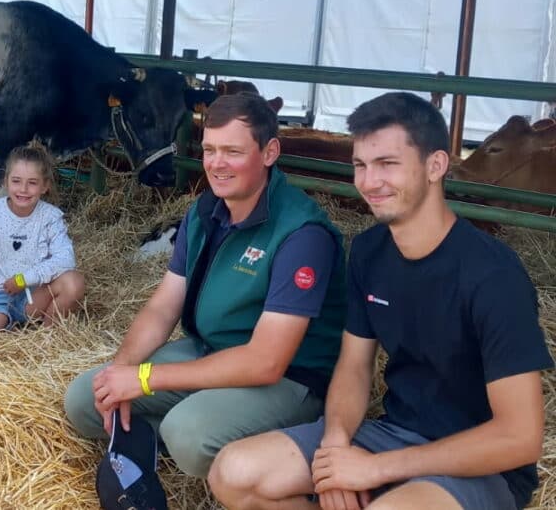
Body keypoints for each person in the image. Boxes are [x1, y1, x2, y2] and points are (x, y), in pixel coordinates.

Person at [209, 92, 553, 510]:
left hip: (479, 464)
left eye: (387, 164)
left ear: (436, 166)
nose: (369, 182)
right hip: (394, 434)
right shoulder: (369, 251)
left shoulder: (493, 274)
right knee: (233, 473)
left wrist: (376, 469)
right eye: (360, 165)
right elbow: (354, 366)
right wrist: (335, 450)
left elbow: (519, 437)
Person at [64, 92, 348, 478]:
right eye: (209, 150)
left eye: (233, 151)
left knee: (188, 435)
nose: (216, 164)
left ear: (270, 152)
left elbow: (266, 362)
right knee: (86, 398)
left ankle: (276, 441)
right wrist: (122, 372)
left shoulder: (301, 234)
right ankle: (166, 431)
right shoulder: (205, 211)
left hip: (287, 379)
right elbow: (163, 307)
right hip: (208, 351)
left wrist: (145, 379)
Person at [0, 144, 86, 334]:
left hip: (32, 296)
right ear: (5, 181)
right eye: (16, 181)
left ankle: (47, 338)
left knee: (73, 283)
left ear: (45, 186)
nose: (23, 189)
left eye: (32, 183)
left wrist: (23, 279)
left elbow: (66, 259)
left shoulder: (50, 217)